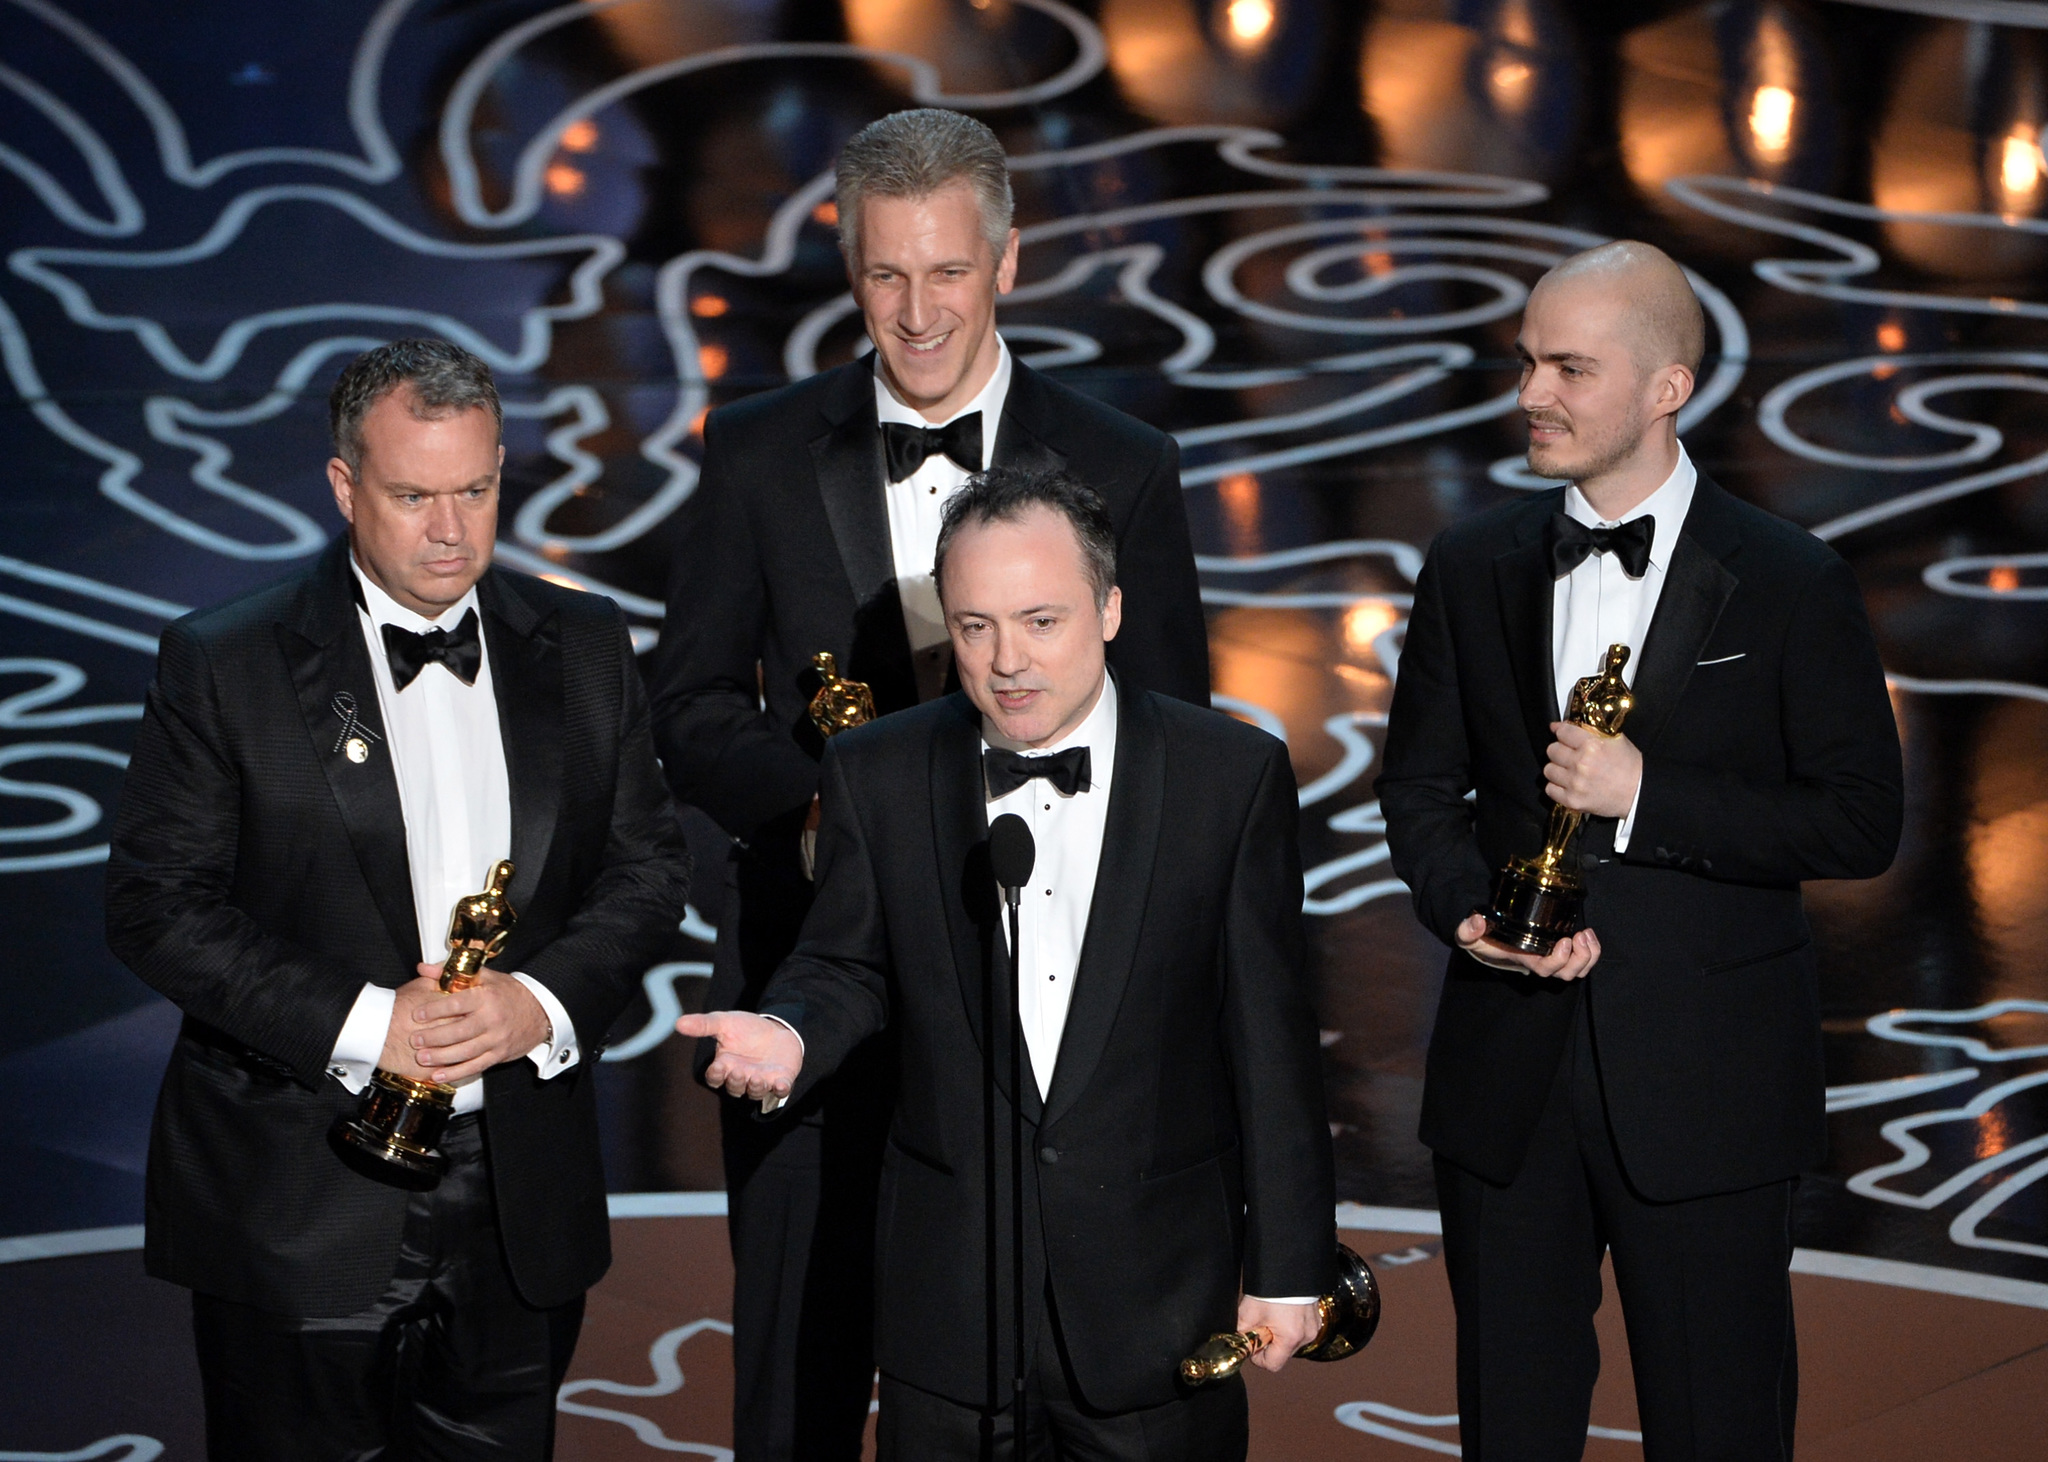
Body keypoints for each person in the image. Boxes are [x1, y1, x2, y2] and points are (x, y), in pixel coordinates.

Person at [648, 108, 1210, 1460]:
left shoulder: (1120, 465)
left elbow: (1176, 740)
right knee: (800, 1356)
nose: (915, 310)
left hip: (1048, 994)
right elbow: (692, 703)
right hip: (815, 967)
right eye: (884, 274)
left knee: (1038, 1371)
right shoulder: (762, 447)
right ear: (850, 271)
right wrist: (818, 807)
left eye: (946, 271)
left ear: (1006, 264)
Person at [105, 339, 693, 1460]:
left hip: (521, 1199)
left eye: (474, 490)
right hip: (297, 1195)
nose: (450, 529)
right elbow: (155, 907)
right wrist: (378, 1025)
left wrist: (539, 1003)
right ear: (343, 486)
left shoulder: (582, 642)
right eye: (413, 494)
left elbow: (647, 869)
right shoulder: (224, 661)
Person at [678, 466, 1332, 1460]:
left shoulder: (1225, 776)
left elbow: (1270, 1041)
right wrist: (791, 1031)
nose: (1006, 662)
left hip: (1156, 1310)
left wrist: (1287, 1265)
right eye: (974, 626)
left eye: (1038, 620)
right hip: (949, 1321)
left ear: (1109, 609)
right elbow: (844, 962)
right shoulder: (878, 769)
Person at [1377, 242, 1903, 1460]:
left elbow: (1856, 819)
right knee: (1509, 1424)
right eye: (1525, 362)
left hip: (1706, 1084)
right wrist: (1464, 913)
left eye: (1568, 367)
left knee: (1715, 1423)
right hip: (1507, 1078)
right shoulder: (1469, 564)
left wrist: (1644, 797)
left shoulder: (1787, 579)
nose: (1529, 394)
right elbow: (1416, 786)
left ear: (1666, 388)